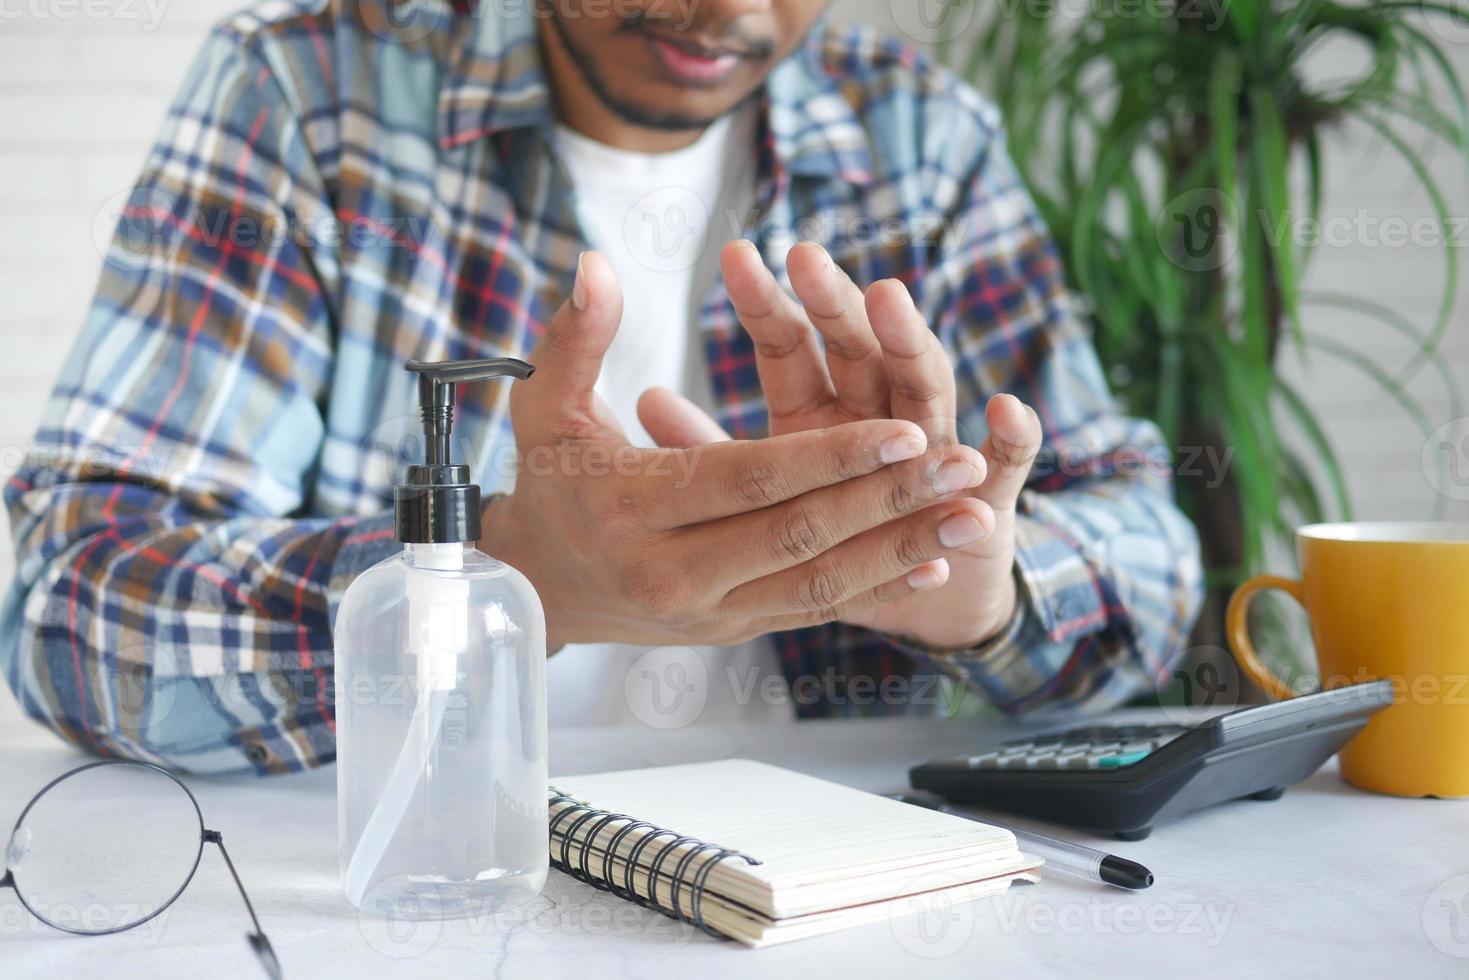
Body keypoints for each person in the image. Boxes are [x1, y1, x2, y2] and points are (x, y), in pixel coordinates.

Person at [0, 0, 1203, 774]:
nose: (731, 12)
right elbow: (72, 605)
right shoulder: (310, 96)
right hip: (413, 870)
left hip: (829, 875)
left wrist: (978, 594)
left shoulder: (918, 134)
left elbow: (1148, 549)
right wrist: (502, 581)